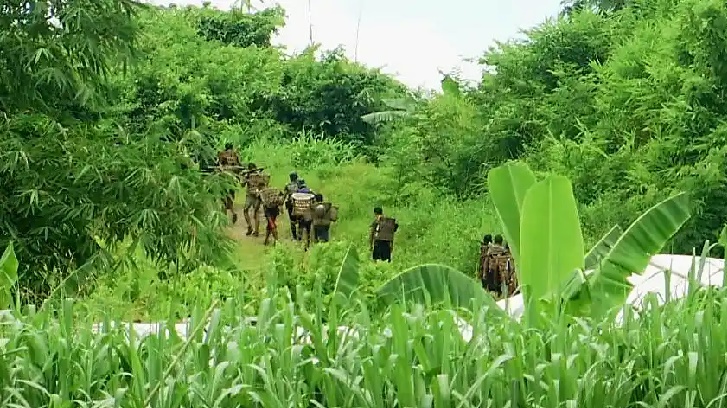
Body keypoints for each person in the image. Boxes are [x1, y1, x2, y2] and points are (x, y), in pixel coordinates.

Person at [217, 143, 241, 224]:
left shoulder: (222, 154)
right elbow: (239, 167)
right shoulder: (235, 155)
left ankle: (224, 219)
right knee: (230, 198)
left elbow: (218, 164)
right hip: (232, 179)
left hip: (224, 178)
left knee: (223, 198)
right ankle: (233, 212)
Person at [242, 162, 263, 236]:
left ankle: (250, 226)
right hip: (257, 195)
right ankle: (256, 231)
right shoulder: (259, 175)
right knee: (256, 213)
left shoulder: (248, 175)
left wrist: (245, 178)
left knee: (245, 211)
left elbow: (242, 185)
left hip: (250, 195)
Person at [283, 172, 303, 239]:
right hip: (299, 203)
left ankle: (294, 237)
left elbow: (284, 196)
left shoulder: (287, 185)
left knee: (292, 221)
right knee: (300, 220)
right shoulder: (300, 184)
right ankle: (300, 236)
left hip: (291, 205)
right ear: (296, 177)